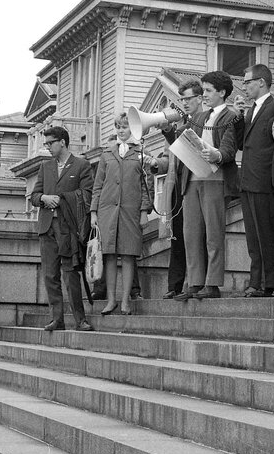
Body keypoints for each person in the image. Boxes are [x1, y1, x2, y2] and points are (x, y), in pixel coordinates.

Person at [174, 71, 240, 300]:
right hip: (192, 180)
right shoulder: (201, 117)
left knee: (213, 234)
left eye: (209, 90)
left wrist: (217, 154)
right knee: (191, 234)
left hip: (215, 180)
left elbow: (230, 150)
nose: (205, 95)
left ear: (222, 93)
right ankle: (195, 282)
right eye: (204, 90)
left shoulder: (231, 116)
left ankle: (212, 283)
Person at [30, 126, 95, 332]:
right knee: (50, 275)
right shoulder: (45, 167)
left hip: (69, 228)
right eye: (46, 143)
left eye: (50, 143)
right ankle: (57, 319)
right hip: (47, 227)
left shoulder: (82, 165)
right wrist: (43, 198)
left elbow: (87, 194)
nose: (47, 147)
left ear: (63, 142)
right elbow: (33, 196)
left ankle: (80, 319)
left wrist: (63, 199)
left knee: (70, 273)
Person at [92, 113, 152, 315]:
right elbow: (97, 186)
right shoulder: (107, 154)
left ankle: (125, 301)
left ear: (133, 129)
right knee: (109, 256)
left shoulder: (141, 153)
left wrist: (144, 211)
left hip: (130, 212)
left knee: (128, 255)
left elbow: (147, 186)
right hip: (107, 211)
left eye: (125, 127)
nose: (121, 130)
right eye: (118, 127)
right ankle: (111, 300)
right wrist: (94, 212)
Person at [151, 80, 206, 299]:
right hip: (178, 186)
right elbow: (170, 156)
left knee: (197, 236)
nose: (184, 103)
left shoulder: (205, 121)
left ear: (199, 98)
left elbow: (192, 148)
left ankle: (197, 282)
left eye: (188, 99)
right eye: (181, 99)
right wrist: (157, 164)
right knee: (178, 238)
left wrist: (169, 133)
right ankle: (175, 284)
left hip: (195, 184)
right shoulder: (183, 123)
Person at [233, 64, 274, 297]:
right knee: (253, 236)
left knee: (267, 234)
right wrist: (239, 118)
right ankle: (256, 281)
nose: (244, 87)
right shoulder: (250, 110)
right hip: (248, 180)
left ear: (261, 82)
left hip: (264, 180)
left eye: (247, 82)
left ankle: (269, 282)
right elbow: (242, 143)